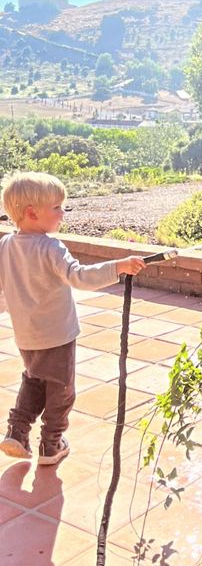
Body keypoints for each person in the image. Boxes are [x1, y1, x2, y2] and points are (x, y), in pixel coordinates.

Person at [0, 171, 145, 466]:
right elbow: (79, 277)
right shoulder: (51, 248)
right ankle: (51, 444)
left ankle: (17, 430)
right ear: (32, 213)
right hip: (57, 335)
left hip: (26, 335)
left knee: (34, 379)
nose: (63, 213)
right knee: (61, 391)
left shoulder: (5, 245)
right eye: (57, 208)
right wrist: (118, 266)